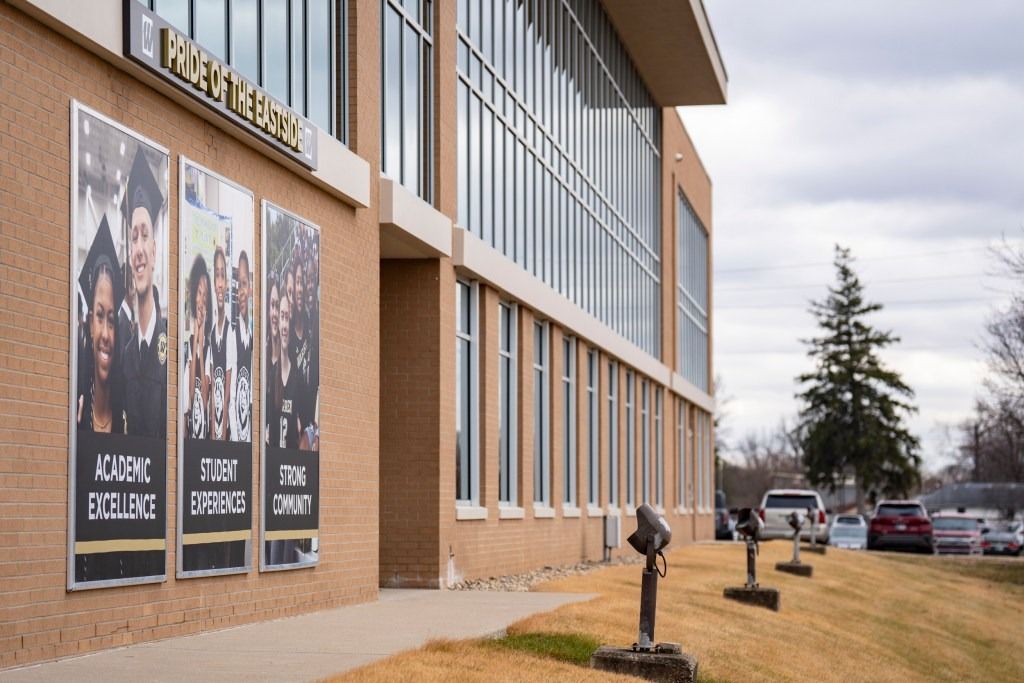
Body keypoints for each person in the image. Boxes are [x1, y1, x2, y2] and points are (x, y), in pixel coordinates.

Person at [122, 146, 167, 439]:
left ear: (154, 250)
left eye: (145, 235)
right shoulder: (125, 357)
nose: (139, 249)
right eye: (133, 237)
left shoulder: (170, 343)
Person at [77, 215, 125, 434]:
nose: (105, 333)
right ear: (89, 325)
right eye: (99, 315)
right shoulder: (78, 415)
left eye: (112, 320)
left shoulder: (126, 421)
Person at [183, 254, 211, 440]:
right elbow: (191, 393)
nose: (201, 300)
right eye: (199, 293)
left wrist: (201, 341)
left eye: (205, 295)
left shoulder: (210, 345)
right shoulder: (189, 341)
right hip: (191, 430)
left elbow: (204, 396)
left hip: (205, 432)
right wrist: (195, 340)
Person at [209, 246, 234, 441]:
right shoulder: (210, 333)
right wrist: (211, 431)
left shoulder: (230, 331)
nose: (219, 283)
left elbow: (227, 391)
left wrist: (222, 433)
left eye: (222, 276)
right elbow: (210, 390)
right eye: (216, 276)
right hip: (213, 426)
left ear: (226, 284)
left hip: (225, 429)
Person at [231, 250, 253, 443]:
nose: (241, 292)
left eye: (244, 284)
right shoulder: (232, 335)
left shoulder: (255, 339)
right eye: (238, 286)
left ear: (251, 289)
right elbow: (230, 400)